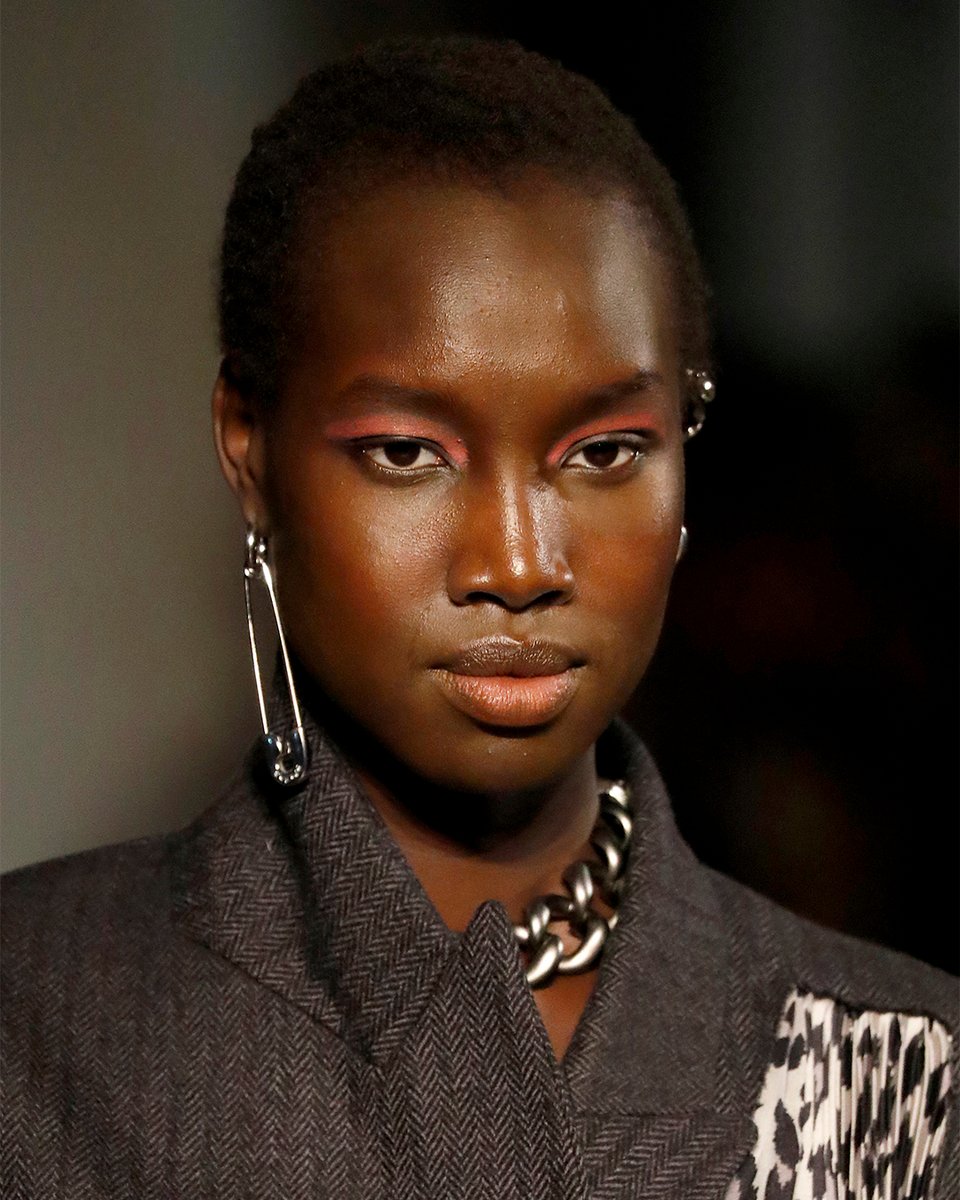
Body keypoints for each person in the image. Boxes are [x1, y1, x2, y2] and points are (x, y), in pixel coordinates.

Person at [2, 36, 956, 1200]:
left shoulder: (901, 1068)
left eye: (606, 451)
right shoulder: (34, 1017)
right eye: (407, 453)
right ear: (249, 450)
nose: (517, 562)